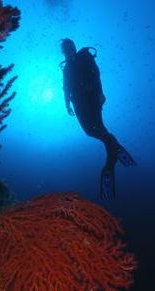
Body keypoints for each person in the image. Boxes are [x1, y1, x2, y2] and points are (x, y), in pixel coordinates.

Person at [60, 38, 135, 198]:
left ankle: (110, 163)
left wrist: (100, 93)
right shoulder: (66, 68)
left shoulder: (84, 56)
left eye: (69, 47)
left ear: (74, 47)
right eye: (65, 49)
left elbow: (96, 73)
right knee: (90, 132)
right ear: (63, 51)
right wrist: (67, 104)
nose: (68, 50)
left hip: (91, 97)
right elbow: (65, 88)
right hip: (78, 103)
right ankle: (114, 148)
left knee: (99, 128)